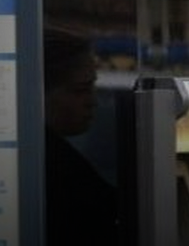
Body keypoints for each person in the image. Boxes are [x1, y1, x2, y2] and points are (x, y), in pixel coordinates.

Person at [43, 26, 119, 245]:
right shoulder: (55, 172)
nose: (93, 102)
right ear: (38, 93)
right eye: (80, 90)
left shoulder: (51, 156)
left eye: (92, 88)